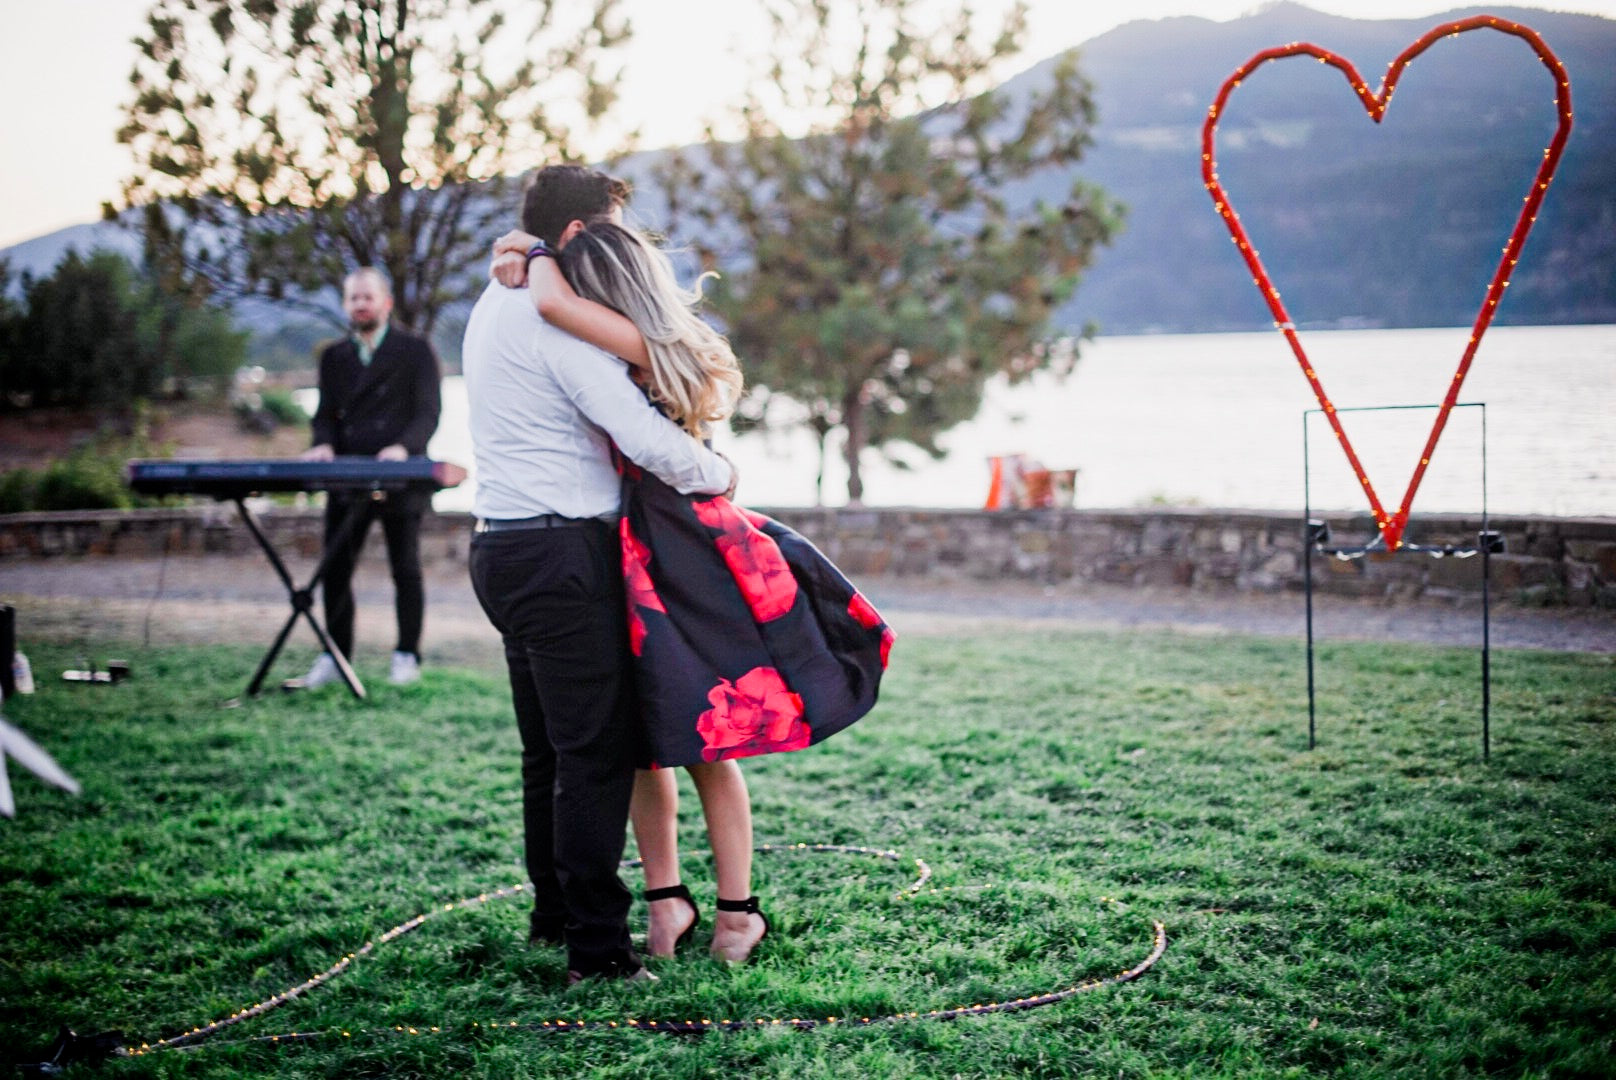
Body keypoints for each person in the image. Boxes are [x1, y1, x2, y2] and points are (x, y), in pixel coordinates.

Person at [489, 219, 894, 966]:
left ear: (603, 293)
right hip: (662, 554)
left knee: (688, 738)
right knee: (666, 736)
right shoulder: (658, 349)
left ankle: (705, 908)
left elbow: (551, 305)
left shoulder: (633, 346)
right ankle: (698, 908)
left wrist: (531, 251)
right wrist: (524, 249)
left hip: (670, 558)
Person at [462, 165, 737, 983]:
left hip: (499, 548)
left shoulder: (492, 303)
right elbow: (646, 441)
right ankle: (597, 954)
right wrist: (720, 477)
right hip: (560, 556)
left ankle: (555, 915)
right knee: (594, 759)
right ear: (580, 235)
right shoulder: (557, 323)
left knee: (547, 753)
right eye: (614, 227)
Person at [299, 267, 442, 688]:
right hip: (348, 478)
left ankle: (407, 656)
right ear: (346, 305)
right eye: (353, 298)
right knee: (336, 568)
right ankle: (335, 654)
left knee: (406, 568)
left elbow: (428, 413)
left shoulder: (416, 350)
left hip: (400, 477)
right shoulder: (334, 357)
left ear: (386, 303)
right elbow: (325, 415)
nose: (361, 305)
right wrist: (323, 443)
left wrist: (403, 448)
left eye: (368, 297)